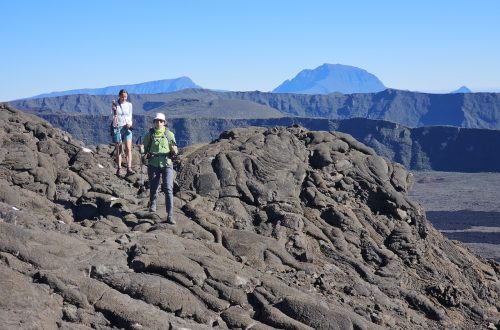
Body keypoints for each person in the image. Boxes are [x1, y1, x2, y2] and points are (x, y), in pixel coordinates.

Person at [142, 113, 178, 224]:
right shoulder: (149, 135)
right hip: (153, 163)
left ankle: (170, 215)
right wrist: (143, 152)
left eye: (161, 121)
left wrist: (174, 151)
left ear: (164, 122)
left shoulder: (169, 134)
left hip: (167, 163)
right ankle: (152, 203)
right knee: (154, 186)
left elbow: (175, 148)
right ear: (154, 122)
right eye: (157, 121)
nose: (158, 123)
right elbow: (145, 148)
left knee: (168, 188)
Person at [111, 89, 135, 176]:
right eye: (122, 97)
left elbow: (130, 115)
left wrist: (130, 124)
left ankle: (129, 167)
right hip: (118, 128)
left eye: (125, 97)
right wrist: (113, 109)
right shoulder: (115, 105)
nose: (124, 98)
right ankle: (119, 168)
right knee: (119, 149)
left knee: (128, 148)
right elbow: (114, 117)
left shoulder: (129, 105)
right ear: (119, 96)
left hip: (127, 127)